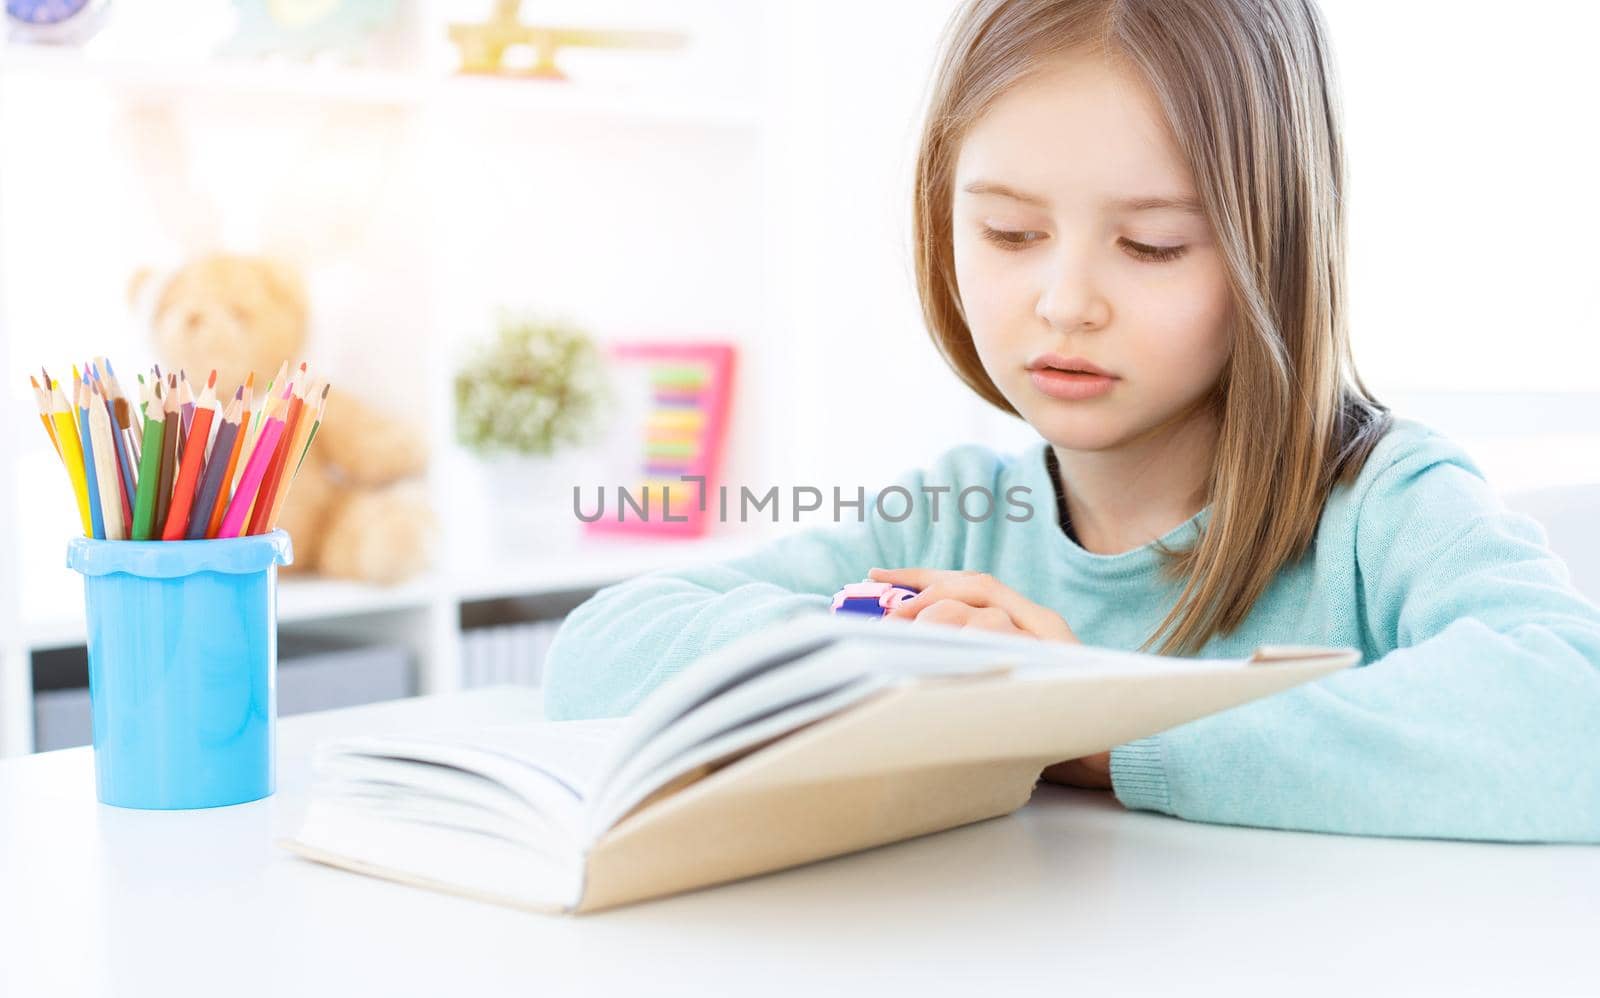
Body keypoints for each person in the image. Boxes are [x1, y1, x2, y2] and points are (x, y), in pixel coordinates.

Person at [542, 0, 1600, 842]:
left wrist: (1082, 721)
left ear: (1273, 247)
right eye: (1008, 231)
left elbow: (1575, 720)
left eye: (1150, 246)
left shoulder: (1383, 508)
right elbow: (597, 649)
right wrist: (872, 662)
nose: (1063, 300)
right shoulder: (952, 521)